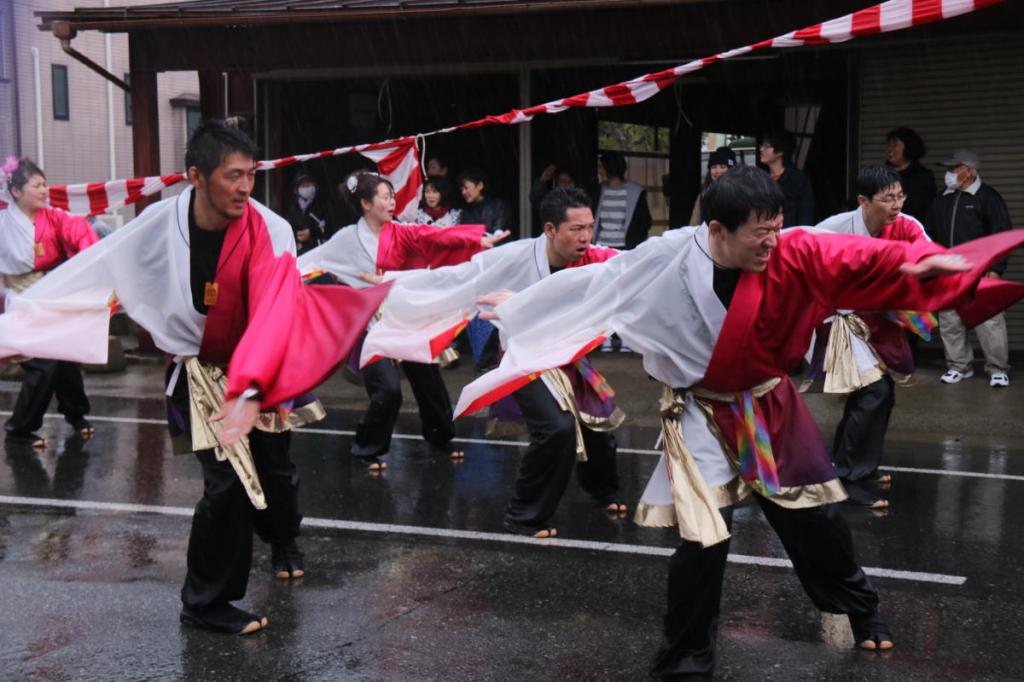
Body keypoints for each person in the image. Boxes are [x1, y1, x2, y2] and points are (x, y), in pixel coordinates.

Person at [456, 165, 1023, 676]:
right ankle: (687, 654)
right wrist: (521, 304)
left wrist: (924, 263)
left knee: (815, 524)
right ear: (717, 231)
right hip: (700, 412)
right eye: (759, 232)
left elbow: (862, 258)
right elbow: (603, 278)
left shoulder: (796, 251)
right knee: (702, 542)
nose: (772, 242)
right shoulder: (673, 254)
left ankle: (861, 608)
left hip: (768, 405)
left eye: (778, 226)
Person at [0, 120, 389, 635]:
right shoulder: (159, 225)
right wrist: (19, 325)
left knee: (275, 470)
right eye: (233, 176)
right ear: (195, 177)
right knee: (226, 484)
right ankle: (205, 602)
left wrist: (250, 387)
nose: (245, 187)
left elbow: (274, 311)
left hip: (264, 357)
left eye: (250, 175)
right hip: (199, 367)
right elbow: (92, 270)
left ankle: (282, 539)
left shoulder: (269, 229)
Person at [361, 187, 625, 537]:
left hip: (568, 354)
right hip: (523, 355)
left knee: (599, 421)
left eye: (590, 227)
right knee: (556, 430)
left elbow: (639, 263)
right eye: (576, 229)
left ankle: (601, 488)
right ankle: (523, 515)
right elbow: (458, 276)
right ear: (550, 230)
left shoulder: (597, 257)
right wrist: (396, 281)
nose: (586, 237)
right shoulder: (515, 257)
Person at [297, 172, 508, 471]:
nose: (391, 202)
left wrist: (476, 239)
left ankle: (440, 438)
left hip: (403, 317)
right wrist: (281, 273)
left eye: (392, 196)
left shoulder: (398, 232)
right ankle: (367, 448)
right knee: (389, 390)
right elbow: (313, 260)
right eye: (384, 196)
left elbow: (431, 236)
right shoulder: (345, 240)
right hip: (370, 327)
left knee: (428, 380)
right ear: (366, 204)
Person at [814, 165, 933, 508]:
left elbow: (928, 256)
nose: (897, 204)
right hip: (840, 319)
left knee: (880, 393)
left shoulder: (909, 226)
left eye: (900, 196)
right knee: (873, 391)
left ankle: (858, 466)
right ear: (863, 201)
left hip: (881, 320)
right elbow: (799, 255)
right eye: (888, 198)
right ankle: (848, 479)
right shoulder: (834, 229)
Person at [0, 157, 98, 449]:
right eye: (36, 185)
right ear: (16, 192)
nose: (44, 190)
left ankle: (76, 415)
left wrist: (94, 260)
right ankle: (19, 428)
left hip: (54, 295)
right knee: (43, 363)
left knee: (67, 358)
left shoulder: (54, 216)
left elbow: (80, 233)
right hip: (23, 301)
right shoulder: (4, 223)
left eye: (45, 184)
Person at [925, 149, 1012, 387]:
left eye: (954, 169)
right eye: (948, 169)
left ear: (970, 171)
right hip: (949, 272)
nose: (949, 174)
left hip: (981, 272)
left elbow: (1001, 235)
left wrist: (995, 268)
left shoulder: (988, 198)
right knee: (950, 321)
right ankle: (959, 366)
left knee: (989, 322)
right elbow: (929, 235)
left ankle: (997, 369)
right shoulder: (941, 198)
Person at [594, 150, 651, 249]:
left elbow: (645, 221)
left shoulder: (636, 192)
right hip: (600, 246)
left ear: (610, 167)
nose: (599, 170)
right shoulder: (598, 190)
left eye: (601, 167)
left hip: (625, 247)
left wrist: (635, 243)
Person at [759, 129, 814, 226]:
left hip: (790, 237)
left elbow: (805, 216)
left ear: (780, 151)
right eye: (762, 145)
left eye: (767, 146)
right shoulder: (760, 178)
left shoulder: (798, 180)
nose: (761, 149)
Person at [885, 127, 936, 223]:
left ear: (909, 147)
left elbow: (929, 210)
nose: (890, 150)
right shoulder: (880, 175)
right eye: (889, 145)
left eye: (895, 145)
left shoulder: (924, 177)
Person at [285, 172, 331, 254]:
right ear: (297, 189)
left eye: (308, 184)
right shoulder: (293, 208)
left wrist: (312, 233)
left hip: (319, 250)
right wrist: (297, 235)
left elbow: (331, 227)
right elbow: (288, 229)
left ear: (315, 186)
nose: (306, 188)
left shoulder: (323, 204)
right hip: (300, 252)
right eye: (303, 185)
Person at [689, 146, 736, 225]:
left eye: (722, 167)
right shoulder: (704, 194)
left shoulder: (740, 194)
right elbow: (694, 223)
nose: (717, 171)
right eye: (713, 167)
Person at [458, 168, 510, 233]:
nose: (463, 192)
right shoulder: (465, 212)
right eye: (461, 190)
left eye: (466, 188)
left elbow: (499, 230)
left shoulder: (498, 206)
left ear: (480, 185)